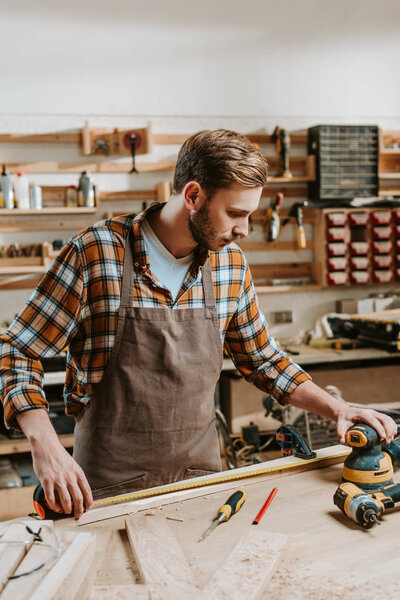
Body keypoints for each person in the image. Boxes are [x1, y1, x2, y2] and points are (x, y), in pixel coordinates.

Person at [0, 129, 396, 518]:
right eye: (236, 213)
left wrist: (337, 408)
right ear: (193, 195)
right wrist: (45, 445)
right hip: (106, 489)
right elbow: (17, 351)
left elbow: (263, 360)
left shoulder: (230, 264)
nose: (243, 229)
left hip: (202, 484)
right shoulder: (96, 253)